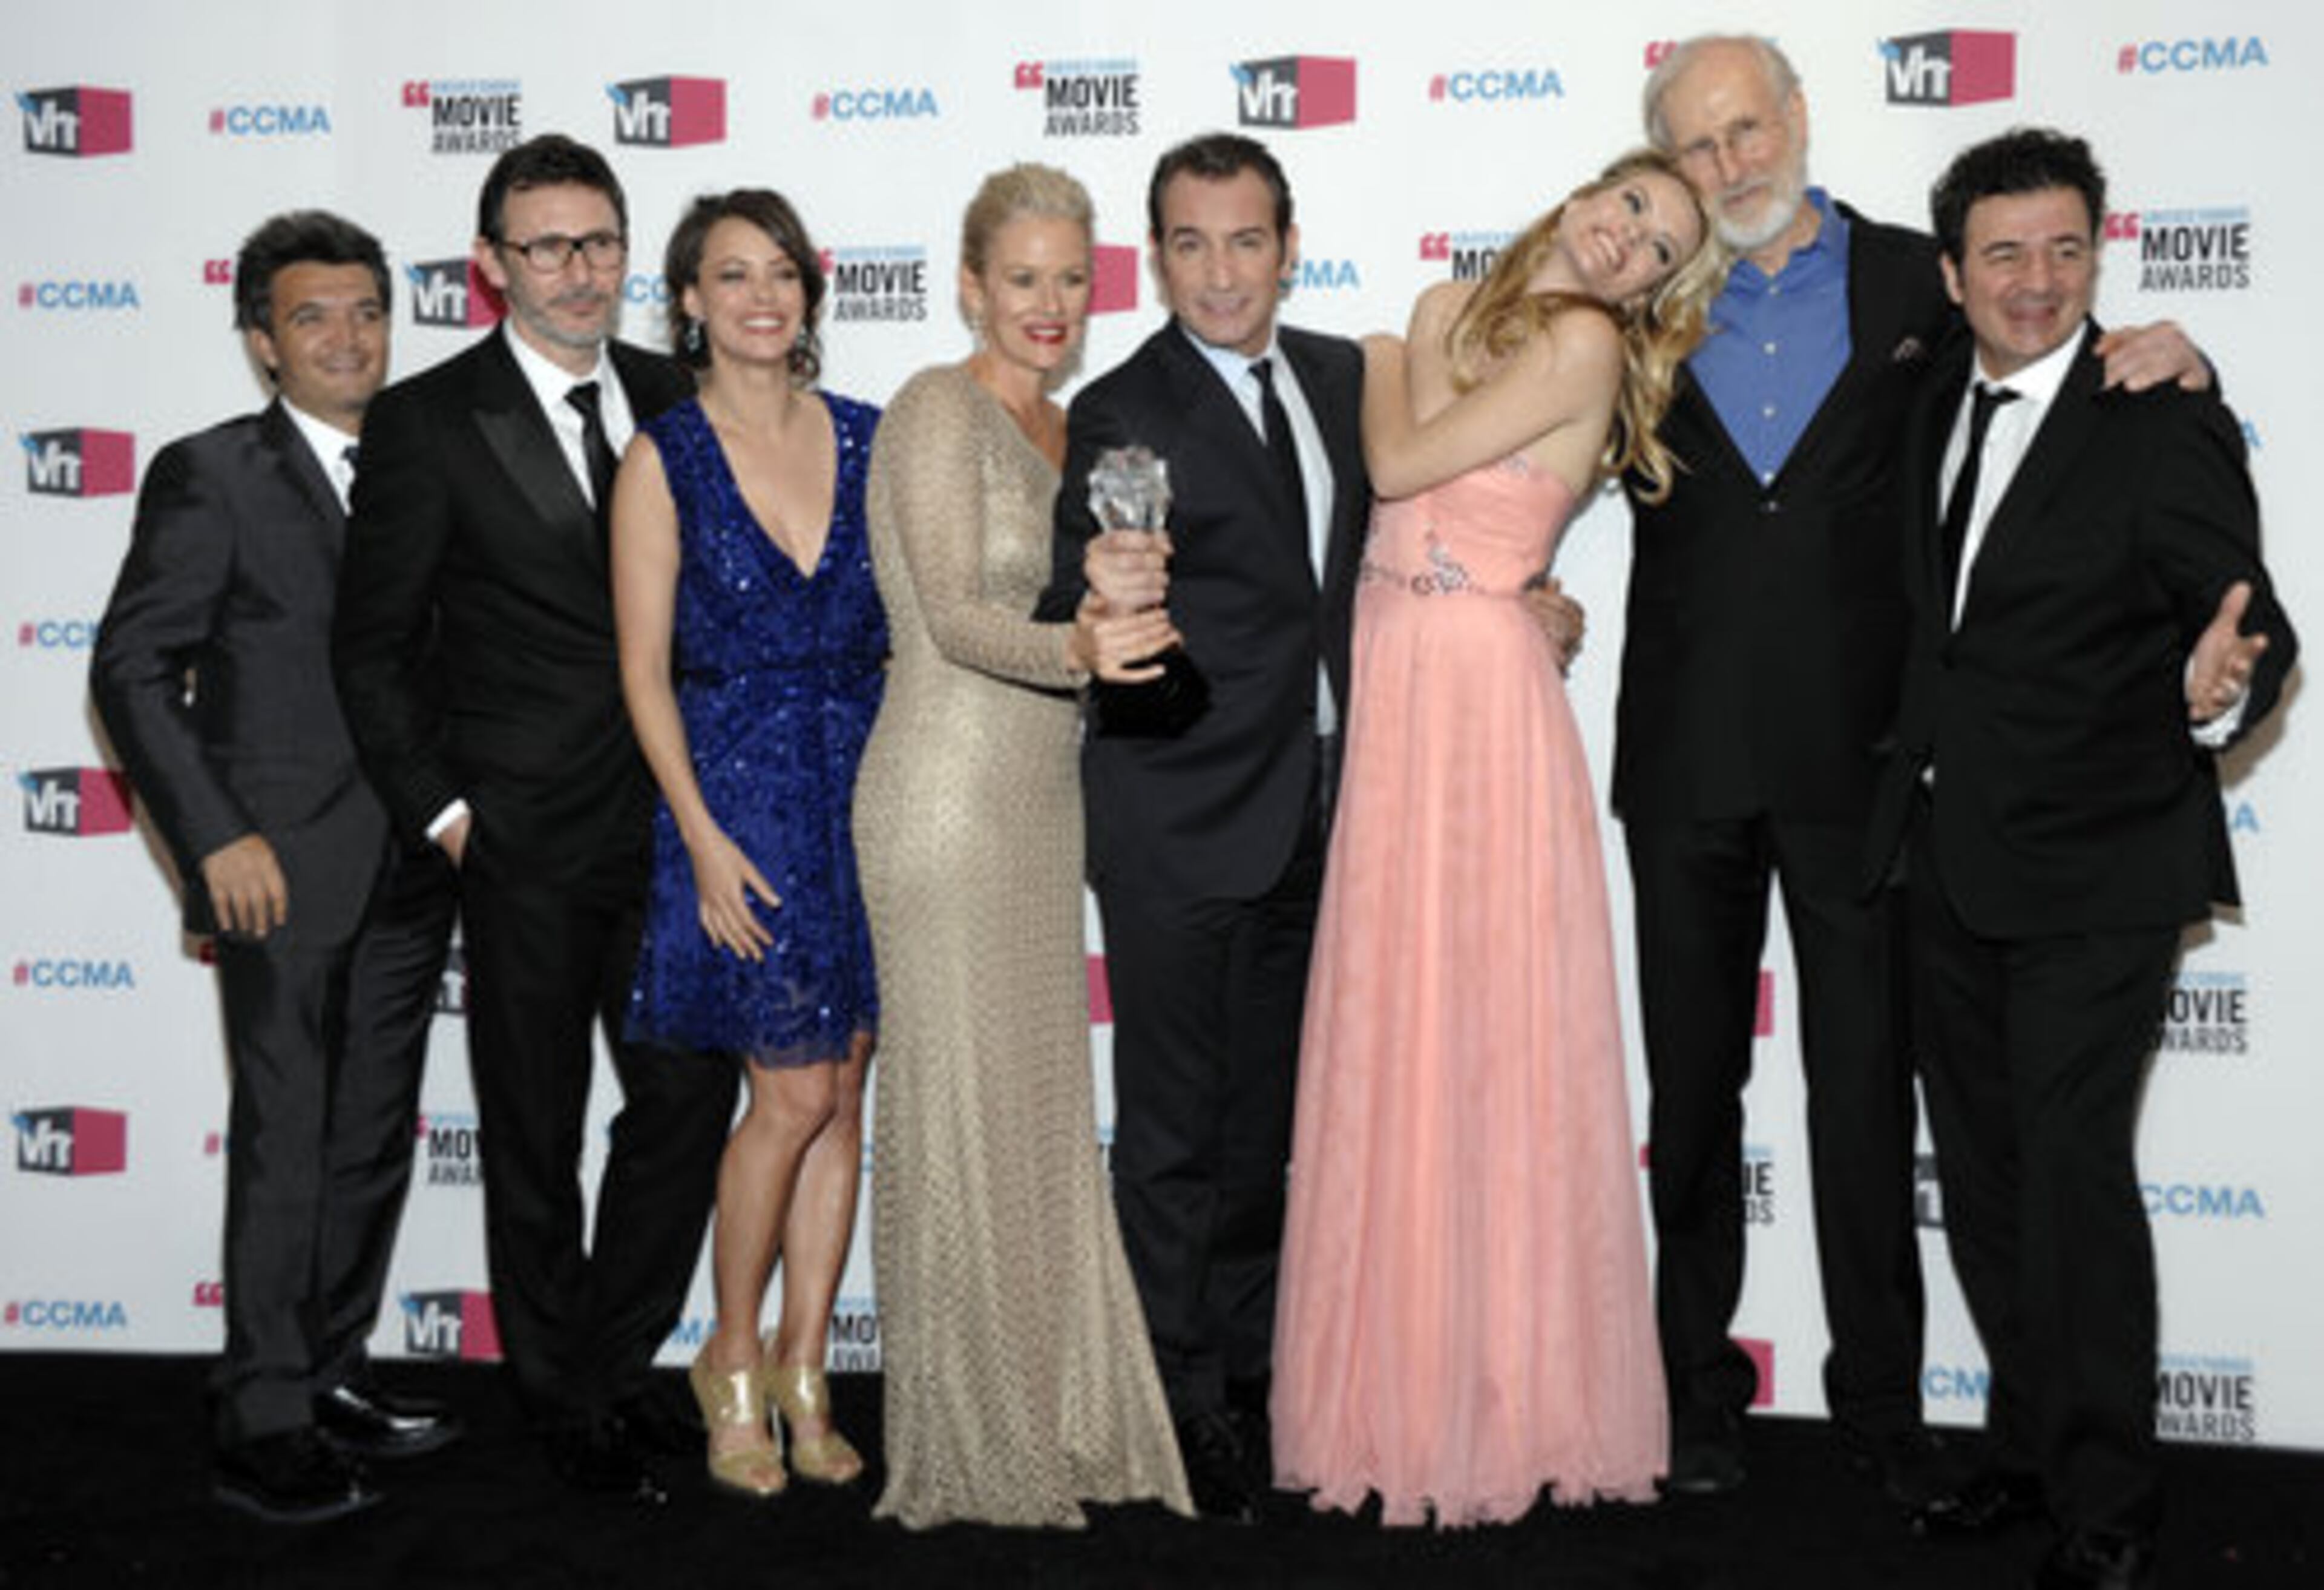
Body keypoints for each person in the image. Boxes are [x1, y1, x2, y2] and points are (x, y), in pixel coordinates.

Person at [1623, 34, 2214, 1506]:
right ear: (1668, 167)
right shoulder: (1626, 302)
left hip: (1867, 768)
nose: (1733, 163)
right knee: (1692, 1102)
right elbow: (1496, 422)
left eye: (1750, 127)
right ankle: (1695, 1395)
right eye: (1699, 147)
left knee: (1865, 1103)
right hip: (1686, 756)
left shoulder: (1917, 281)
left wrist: (2174, 349)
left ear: (1801, 118)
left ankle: (1882, 1407)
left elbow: (2048, 361)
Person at [1860, 128, 2293, 1590]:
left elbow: (2251, 610)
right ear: (1953, 273)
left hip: (2102, 866)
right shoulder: (1927, 399)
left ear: (2099, 252)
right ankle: (2026, 1452)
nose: (2036, 282)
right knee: (1983, 1185)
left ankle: (2108, 1510)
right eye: (2004, 253)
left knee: (2071, 1179)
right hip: (1946, 859)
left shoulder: (2158, 414)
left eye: (2064, 250)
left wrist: (2227, 679)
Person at [1271, 151, 1723, 1528]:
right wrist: (1413, 331)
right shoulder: (1453, 306)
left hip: (1472, 700)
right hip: (1406, 674)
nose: (1629, 240)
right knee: (1405, 1039)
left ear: (1654, 294)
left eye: (1659, 248)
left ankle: (1507, 1400)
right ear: (1589, 190)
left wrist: (1386, 346)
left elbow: (1401, 454)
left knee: (1482, 1042)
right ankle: (1406, 1388)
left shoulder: (1577, 340)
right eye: (1633, 204)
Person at [332, 135, 737, 1504]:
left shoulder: (679, 397)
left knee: (684, 1102)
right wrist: (450, 817)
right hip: (522, 841)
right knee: (534, 1132)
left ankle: (620, 1369)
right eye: (548, 247)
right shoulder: (428, 423)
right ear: (492, 267)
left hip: (678, 834)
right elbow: (373, 648)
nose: (579, 272)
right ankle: (564, 1401)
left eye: (601, 242)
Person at [91, 210, 459, 1523]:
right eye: (313, 317)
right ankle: (259, 1413)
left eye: (366, 309)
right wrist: (213, 838)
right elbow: (130, 669)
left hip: (416, 865)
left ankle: (327, 1367)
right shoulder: (213, 476)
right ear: (262, 341)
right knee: (289, 1141)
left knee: (368, 1141)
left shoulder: (430, 463)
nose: (347, 336)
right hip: (278, 868)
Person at [1032, 132, 1371, 1521]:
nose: (1221, 272)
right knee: (1173, 1136)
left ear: (1289, 245)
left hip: (1319, 811)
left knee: (1263, 1127)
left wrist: (1519, 591)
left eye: (1245, 241)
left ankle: (1242, 1373)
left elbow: (1387, 550)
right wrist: (1104, 601)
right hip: (1176, 819)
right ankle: (1172, 1405)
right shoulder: (1121, 411)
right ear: (1154, 255)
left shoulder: (1350, 380)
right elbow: (1079, 599)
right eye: (1189, 242)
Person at [855, 162, 1192, 1529]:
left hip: (1046, 799)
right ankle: (973, 1440)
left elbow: (1103, 615)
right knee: (962, 1116)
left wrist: (1130, 602)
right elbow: (947, 615)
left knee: (1039, 1118)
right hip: (942, 796)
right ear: (969, 284)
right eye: (1023, 278)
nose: (1049, 305)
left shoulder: (1082, 436)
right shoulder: (937, 409)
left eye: (1072, 279)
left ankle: (1059, 1417)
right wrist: (1081, 644)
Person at [612, 188, 885, 1501]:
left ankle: (805, 1363)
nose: (763, 296)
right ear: (689, 302)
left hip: (865, 793)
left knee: (844, 1093)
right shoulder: (663, 456)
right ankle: (727, 1357)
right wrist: (704, 845)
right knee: (784, 1097)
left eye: (783, 271)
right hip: (743, 805)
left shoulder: (872, 439)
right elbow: (644, 675)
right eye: (733, 275)